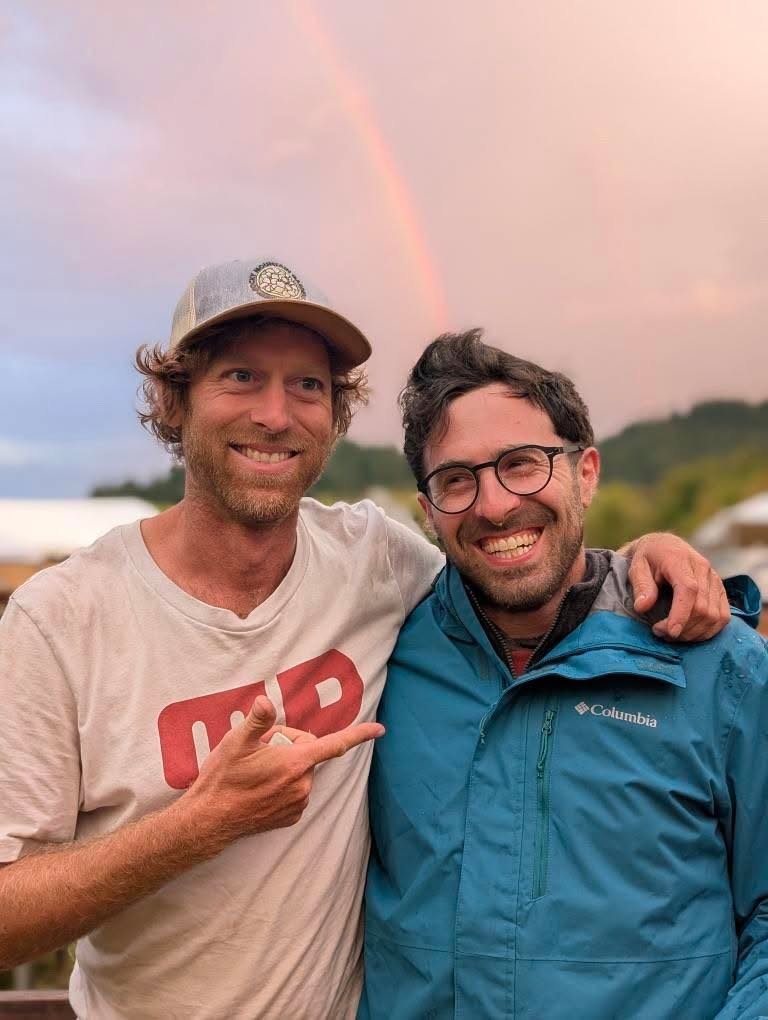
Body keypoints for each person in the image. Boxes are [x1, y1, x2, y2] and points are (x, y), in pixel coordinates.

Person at [0, 261, 733, 1020]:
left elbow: (516, 553)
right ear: (174, 400)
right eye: (241, 376)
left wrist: (650, 554)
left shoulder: (376, 561)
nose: (276, 414)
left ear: (336, 415)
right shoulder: (62, 621)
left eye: (308, 385)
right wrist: (199, 824)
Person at [361, 330, 767, 1020]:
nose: (493, 506)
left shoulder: (716, 664)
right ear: (428, 514)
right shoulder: (379, 652)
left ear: (585, 473)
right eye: (456, 480)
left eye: (522, 464)